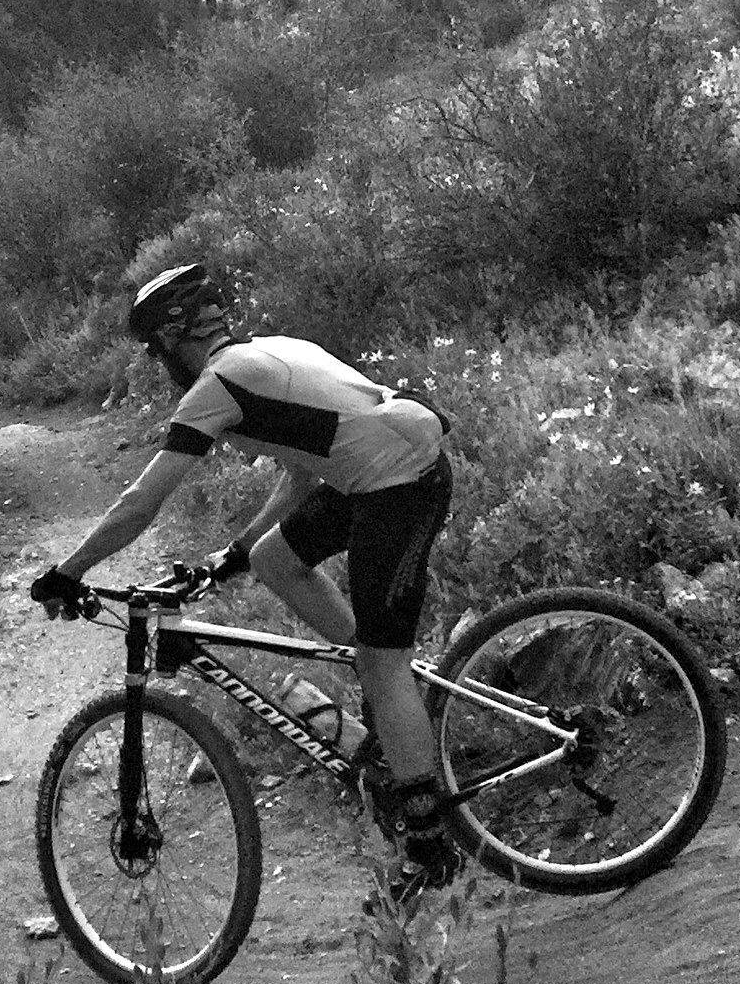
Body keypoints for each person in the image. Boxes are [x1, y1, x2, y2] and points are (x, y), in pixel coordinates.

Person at [28, 263, 461, 891]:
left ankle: (427, 840)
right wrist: (233, 555)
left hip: (401, 485)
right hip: (378, 470)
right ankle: (381, 690)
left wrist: (69, 573)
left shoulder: (217, 386)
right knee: (273, 560)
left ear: (174, 338)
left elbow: (141, 503)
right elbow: (304, 470)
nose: (160, 363)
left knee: (384, 660)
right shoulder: (272, 352)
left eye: (157, 351)